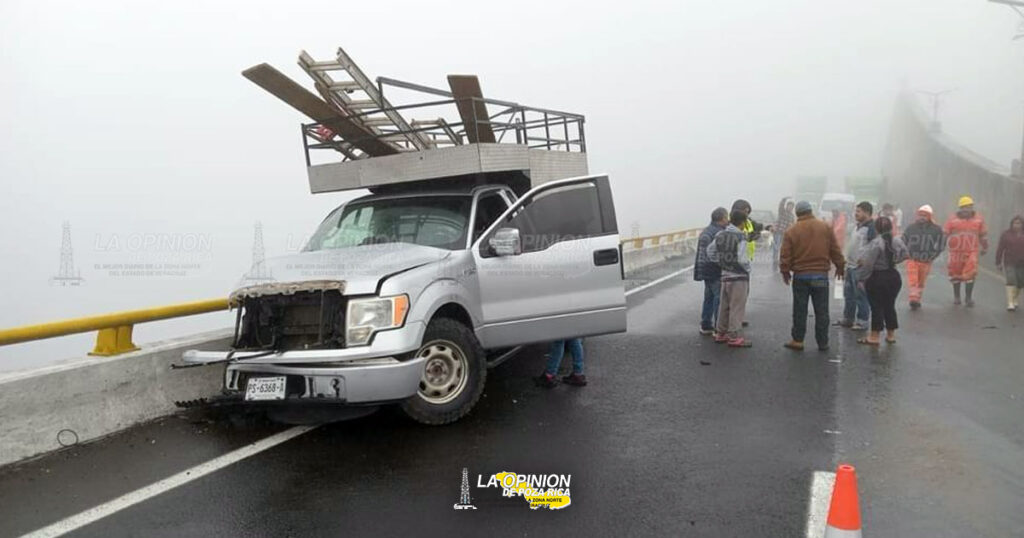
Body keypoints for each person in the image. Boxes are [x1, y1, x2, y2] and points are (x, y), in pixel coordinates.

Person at [779, 201, 846, 351]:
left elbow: (785, 254)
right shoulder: (825, 227)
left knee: (800, 309)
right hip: (820, 277)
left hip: (801, 277)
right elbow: (835, 249)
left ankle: (798, 340)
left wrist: (785, 271)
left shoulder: (792, 230)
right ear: (811, 211)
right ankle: (822, 342)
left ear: (797, 213)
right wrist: (840, 266)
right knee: (822, 310)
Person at [857, 217, 909, 345]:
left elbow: (868, 264)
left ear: (876, 228)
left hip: (878, 278)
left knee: (877, 307)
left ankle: (874, 337)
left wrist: (861, 278)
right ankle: (891, 335)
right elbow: (906, 254)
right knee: (889, 305)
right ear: (891, 227)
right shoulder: (897, 241)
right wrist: (895, 262)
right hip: (894, 277)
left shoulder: (876, 243)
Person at [707, 210, 753, 347]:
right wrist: (747, 269)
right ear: (743, 222)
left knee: (724, 306)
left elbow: (710, 251)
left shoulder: (721, 234)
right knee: (737, 307)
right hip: (739, 277)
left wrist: (721, 263)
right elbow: (742, 259)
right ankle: (734, 336)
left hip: (725, 275)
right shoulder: (741, 237)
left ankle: (720, 333)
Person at [836, 201, 876, 330]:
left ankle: (862, 321)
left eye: (858, 211)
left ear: (867, 212)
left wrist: (866, 263)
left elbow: (874, 248)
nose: (855, 214)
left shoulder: (871, 229)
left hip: (862, 269)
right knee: (849, 294)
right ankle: (848, 318)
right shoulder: (857, 226)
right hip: (851, 266)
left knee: (861, 295)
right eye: (856, 211)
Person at [943, 196, 988, 307]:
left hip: (972, 251)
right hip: (955, 252)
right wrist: (941, 245)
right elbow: (945, 233)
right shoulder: (952, 219)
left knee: (970, 273)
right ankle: (957, 297)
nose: (967, 209)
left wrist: (985, 247)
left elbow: (983, 235)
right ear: (960, 208)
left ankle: (968, 298)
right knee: (955, 274)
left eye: (969, 207)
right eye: (964, 207)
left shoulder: (979, 219)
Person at [901, 205, 945, 309]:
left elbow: (941, 244)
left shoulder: (936, 229)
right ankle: (913, 299)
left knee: (921, 282)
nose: (922, 217)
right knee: (913, 280)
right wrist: (904, 253)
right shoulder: (911, 228)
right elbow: (903, 241)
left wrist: (934, 255)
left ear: (929, 216)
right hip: (912, 259)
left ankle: (917, 299)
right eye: (920, 215)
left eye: (925, 215)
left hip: (926, 260)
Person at [694, 207, 729, 334]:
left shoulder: (706, 231)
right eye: (726, 217)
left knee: (708, 297)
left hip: (704, 269)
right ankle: (719, 327)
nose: (728, 220)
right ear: (722, 218)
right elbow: (719, 253)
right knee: (718, 298)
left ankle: (705, 324)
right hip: (715, 269)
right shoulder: (719, 233)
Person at [995, 215, 1024, 311]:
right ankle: (1010, 302)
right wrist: (998, 262)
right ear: (1011, 224)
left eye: (1019, 223)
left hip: (1022, 263)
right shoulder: (1006, 234)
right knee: (1011, 280)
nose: (1017, 225)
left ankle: (1015, 298)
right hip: (1009, 261)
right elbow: (1000, 248)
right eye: (1015, 223)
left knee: (1020, 282)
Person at [773, 199, 796, 266]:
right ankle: (775, 258)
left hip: (785, 233)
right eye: (789, 206)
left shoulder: (792, 216)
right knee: (776, 246)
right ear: (787, 206)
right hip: (778, 231)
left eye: (792, 207)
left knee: (783, 247)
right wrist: (784, 200)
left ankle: (780, 259)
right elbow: (781, 206)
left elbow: (792, 224)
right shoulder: (782, 212)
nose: (790, 208)